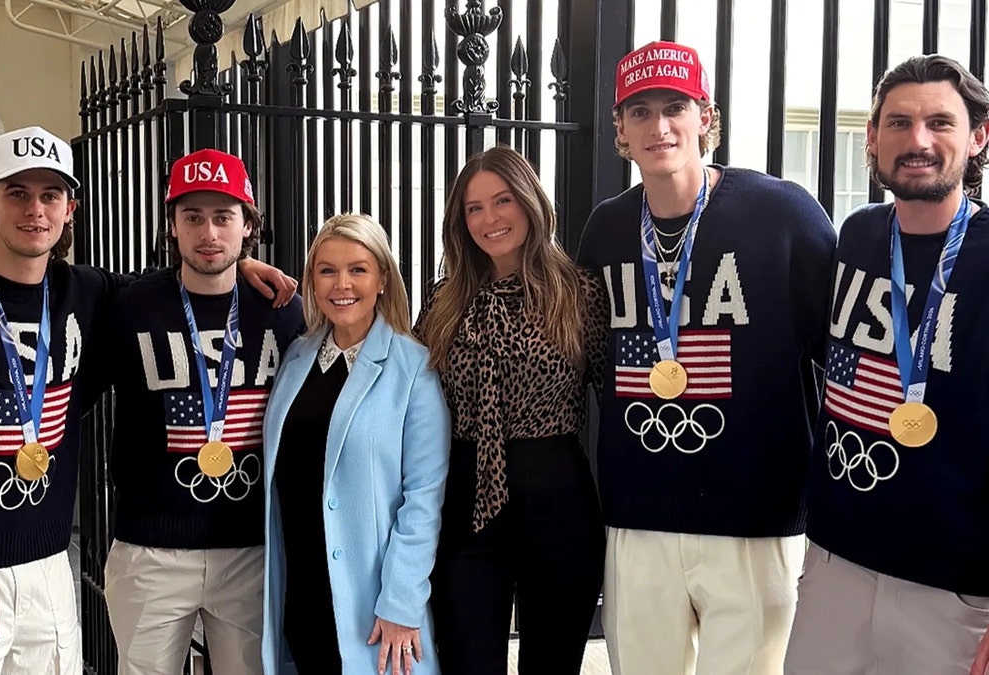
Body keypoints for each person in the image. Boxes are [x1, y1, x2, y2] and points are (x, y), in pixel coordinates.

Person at [0, 127, 296, 673]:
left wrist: (238, 269)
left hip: (55, 563)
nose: (35, 210)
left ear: (70, 210)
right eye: (17, 193)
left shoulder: (93, 294)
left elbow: (201, 278)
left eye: (50, 196)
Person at [576, 41, 836, 674]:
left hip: (755, 516)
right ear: (620, 129)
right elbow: (590, 355)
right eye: (640, 112)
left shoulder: (782, 214)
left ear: (705, 117)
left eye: (675, 107)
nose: (659, 127)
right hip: (639, 512)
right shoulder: (605, 229)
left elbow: (836, 349)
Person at [784, 54, 989, 675]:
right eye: (898, 123)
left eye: (940, 123)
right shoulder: (858, 236)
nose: (917, 140)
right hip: (834, 565)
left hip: (953, 590)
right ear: (871, 138)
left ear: (978, 136)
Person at [103, 148, 303, 675]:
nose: (208, 233)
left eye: (223, 217)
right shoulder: (132, 304)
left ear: (248, 226)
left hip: (250, 547)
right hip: (150, 548)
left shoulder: (282, 311)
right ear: (172, 226)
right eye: (192, 217)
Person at [415, 145, 609, 674]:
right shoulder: (443, 302)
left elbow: (616, 399)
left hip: (559, 503)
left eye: (502, 200)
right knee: (466, 661)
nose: (489, 218)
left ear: (529, 202)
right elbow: (407, 398)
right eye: (473, 208)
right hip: (464, 508)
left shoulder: (579, 294)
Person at [262, 212, 450, 675]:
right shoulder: (297, 356)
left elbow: (424, 498)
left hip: (373, 602)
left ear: (383, 277)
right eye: (327, 270)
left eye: (357, 269)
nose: (341, 284)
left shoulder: (414, 369)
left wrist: (402, 601)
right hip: (301, 590)